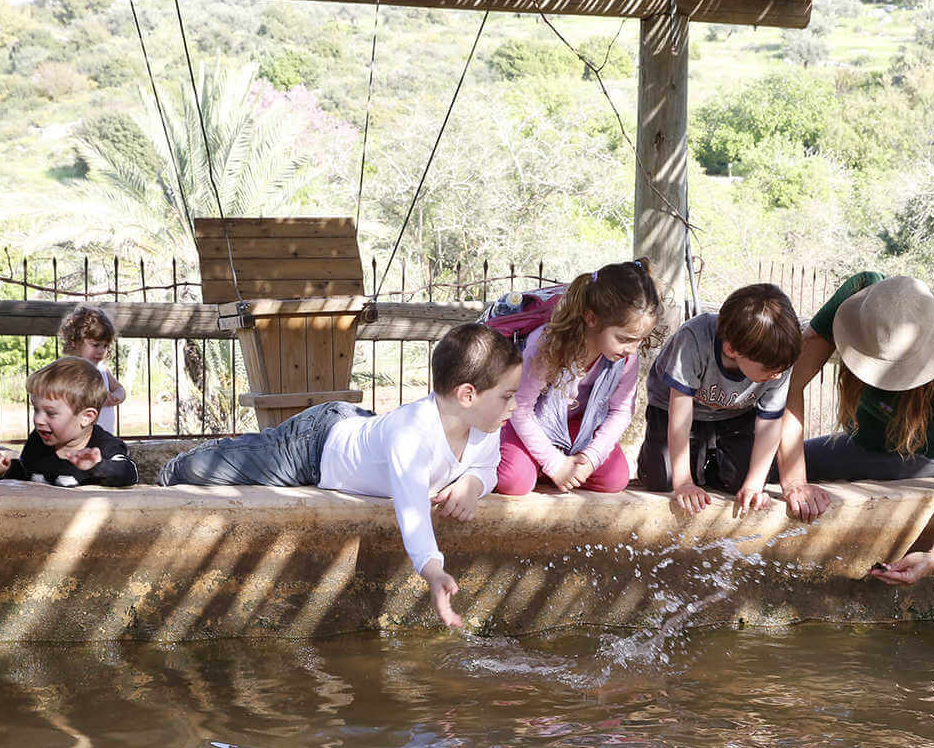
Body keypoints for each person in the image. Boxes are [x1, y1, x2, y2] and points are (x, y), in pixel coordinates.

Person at [157, 323, 522, 629]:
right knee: (205, 469)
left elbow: (486, 468)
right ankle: (175, 465)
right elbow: (412, 512)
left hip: (360, 428)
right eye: (507, 396)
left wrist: (471, 485)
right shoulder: (411, 435)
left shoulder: (484, 429)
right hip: (312, 447)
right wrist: (434, 571)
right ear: (467, 395)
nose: (514, 406)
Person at [777, 272, 934, 585]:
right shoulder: (860, 296)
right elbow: (791, 383)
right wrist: (795, 481)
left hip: (921, 459)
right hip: (860, 441)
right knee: (749, 469)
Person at [634, 282, 828, 518]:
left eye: (781, 369)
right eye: (770, 369)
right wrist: (684, 482)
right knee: (663, 479)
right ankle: (680, 461)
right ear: (731, 349)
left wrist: (754, 485)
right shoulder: (693, 339)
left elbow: (770, 424)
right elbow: (680, 419)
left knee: (740, 482)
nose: (777, 376)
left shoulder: (778, 360)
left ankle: (711, 461)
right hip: (673, 409)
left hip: (736, 411)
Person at [495, 259, 661, 496]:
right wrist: (555, 464)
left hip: (578, 428)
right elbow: (520, 407)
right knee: (513, 481)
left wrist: (591, 458)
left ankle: (557, 468)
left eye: (640, 340)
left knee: (614, 478)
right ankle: (545, 465)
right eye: (624, 339)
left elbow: (621, 411)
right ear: (591, 318)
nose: (632, 349)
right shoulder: (548, 345)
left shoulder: (626, 358)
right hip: (532, 423)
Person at [0, 357, 137, 488]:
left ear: (86, 417)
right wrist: (4, 471)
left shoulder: (104, 446)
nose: (38, 420)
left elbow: (129, 474)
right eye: (36, 410)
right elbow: (27, 474)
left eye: (51, 413)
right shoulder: (38, 441)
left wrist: (98, 466)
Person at [58, 305, 128, 435]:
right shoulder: (71, 370)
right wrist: (98, 399)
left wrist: (117, 397)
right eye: (95, 345)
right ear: (75, 342)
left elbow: (119, 389)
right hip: (80, 436)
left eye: (105, 346)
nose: (101, 351)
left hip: (105, 435)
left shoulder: (103, 369)